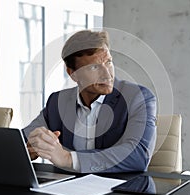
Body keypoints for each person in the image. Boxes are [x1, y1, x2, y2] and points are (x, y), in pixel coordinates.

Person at [23, 30, 157, 173]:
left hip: (119, 190)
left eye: (109, 62)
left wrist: (68, 158)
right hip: (68, 190)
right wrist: (29, 148)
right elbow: (23, 139)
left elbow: (138, 156)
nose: (107, 74)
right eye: (94, 67)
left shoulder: (138, 97)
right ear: (72, 74)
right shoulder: (57, 102)